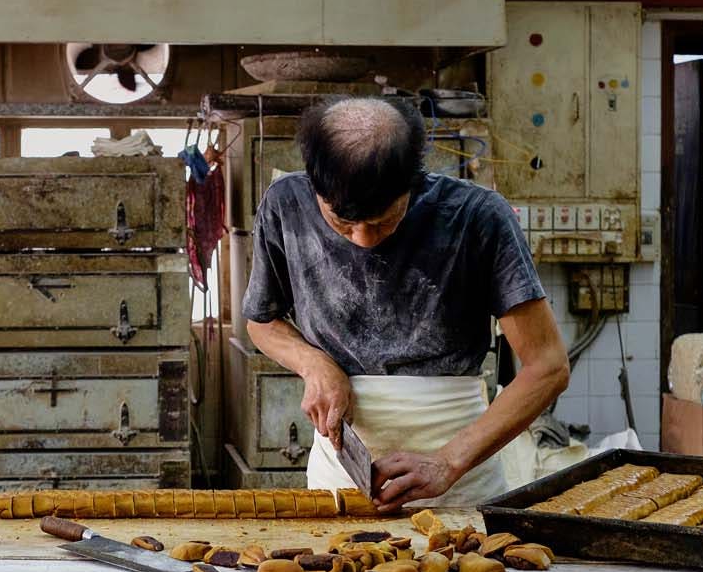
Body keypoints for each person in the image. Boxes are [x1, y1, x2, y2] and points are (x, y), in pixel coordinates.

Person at [242, 96, 570, 510]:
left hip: (460, 475)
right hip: (341, 473)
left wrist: (448, 462)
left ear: (413, 181)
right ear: (314, 186)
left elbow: (548, 366)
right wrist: (314, 364)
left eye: (381, 221)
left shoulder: (478, 216)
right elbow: (261, 321)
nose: (362, 238)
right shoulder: (285, 204)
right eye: (342, 223)